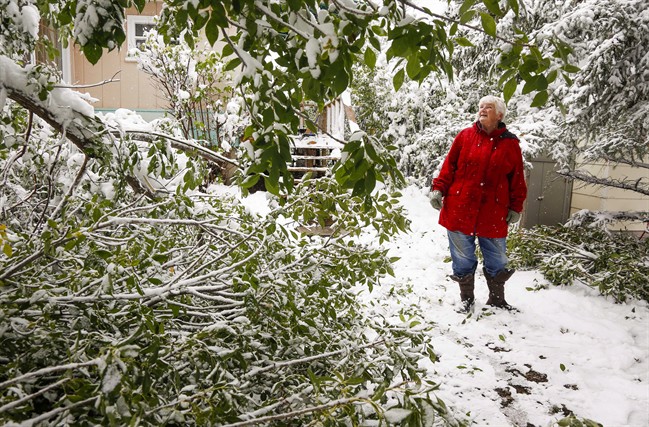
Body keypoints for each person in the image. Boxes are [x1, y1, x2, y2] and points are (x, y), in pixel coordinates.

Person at [429, 95, 527, 312]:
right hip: (459, 208)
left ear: (499, 115)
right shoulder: (465, 136)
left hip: (493, 212)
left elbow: (517, 179)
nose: (482, 109)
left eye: (488, 107)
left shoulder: (510, 144)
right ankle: (467, 299)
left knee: (497, 257)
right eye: (481, 106)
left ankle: (497, 299)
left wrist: (516, 206)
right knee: (462, 258)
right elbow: (449, 167)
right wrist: (438, 189)